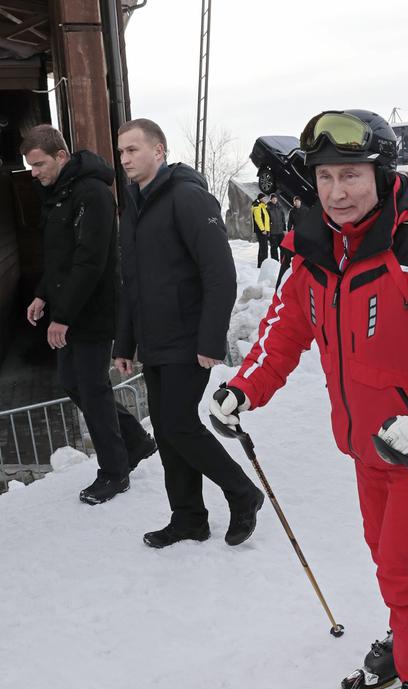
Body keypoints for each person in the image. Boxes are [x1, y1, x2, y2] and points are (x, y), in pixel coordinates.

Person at [209, 109, 408, 689]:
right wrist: (244, 387)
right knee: (391, 558)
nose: (338, 191)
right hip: (366, 443)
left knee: (402, 564)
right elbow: (287, 328)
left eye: (352, 175)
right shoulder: (318, 250)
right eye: (327, 176)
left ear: (381, 174)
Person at [114, 118, 263, 549]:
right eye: (121, 152)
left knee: (179, 424)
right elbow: (130, 282)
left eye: (133, 150)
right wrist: (125, 342)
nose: (125, 159)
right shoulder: (133, 205)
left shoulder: (187, 197)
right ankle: (189, 519)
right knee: (165, 429)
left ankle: (243, 493)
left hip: (188, 336)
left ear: (158, 151)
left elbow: (220, 274)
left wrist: (210, 340)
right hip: (155, 339)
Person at [21, 124, 156, 505]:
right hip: (67, 306)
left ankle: (114, 473)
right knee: (72, 382)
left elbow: (90, 261)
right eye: (30, 166)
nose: (33, 172)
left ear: (61, 156)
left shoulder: (92, 194)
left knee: (93, 389)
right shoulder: (59, 194)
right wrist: (42, 295)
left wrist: (61, 317)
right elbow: (60, 257)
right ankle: (137, 440)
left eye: (38, 164)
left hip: (93, 310)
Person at [251, 192, 270, 267]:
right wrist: (263, 229)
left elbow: (266, 219)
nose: (265, 199)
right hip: (261, 231)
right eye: (264, 198)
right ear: (261, 199)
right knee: (264, 249)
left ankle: (260, 264)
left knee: (262, 247)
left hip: (265, 230)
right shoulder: (257, 206)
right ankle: (263, 265)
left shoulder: (263, 206)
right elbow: (258, 219)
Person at [267, 192, 286, 261]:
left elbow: (283, 218)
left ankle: (283, 261)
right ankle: (275, 262)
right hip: (273, 232)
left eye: (275, 199)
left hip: (280, 231)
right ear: (270, 200)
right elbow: (266, 220)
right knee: (274, 248)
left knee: (283, 247)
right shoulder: (268, 208)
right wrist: (268, 231)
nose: (274, 200)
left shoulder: (279, 207)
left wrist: (284, 228)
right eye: (273, 199)